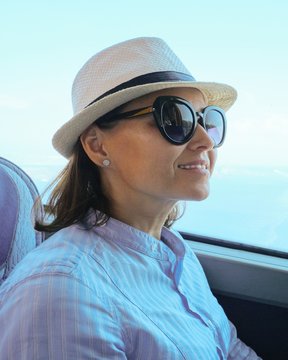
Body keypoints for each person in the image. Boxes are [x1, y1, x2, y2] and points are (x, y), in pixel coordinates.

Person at [0, 37, 261, 359]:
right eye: (174, 119)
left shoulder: (175, 254)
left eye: (208, 119)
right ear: (97, 146)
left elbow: (230, 349)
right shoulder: (60, 289)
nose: (206, 140)